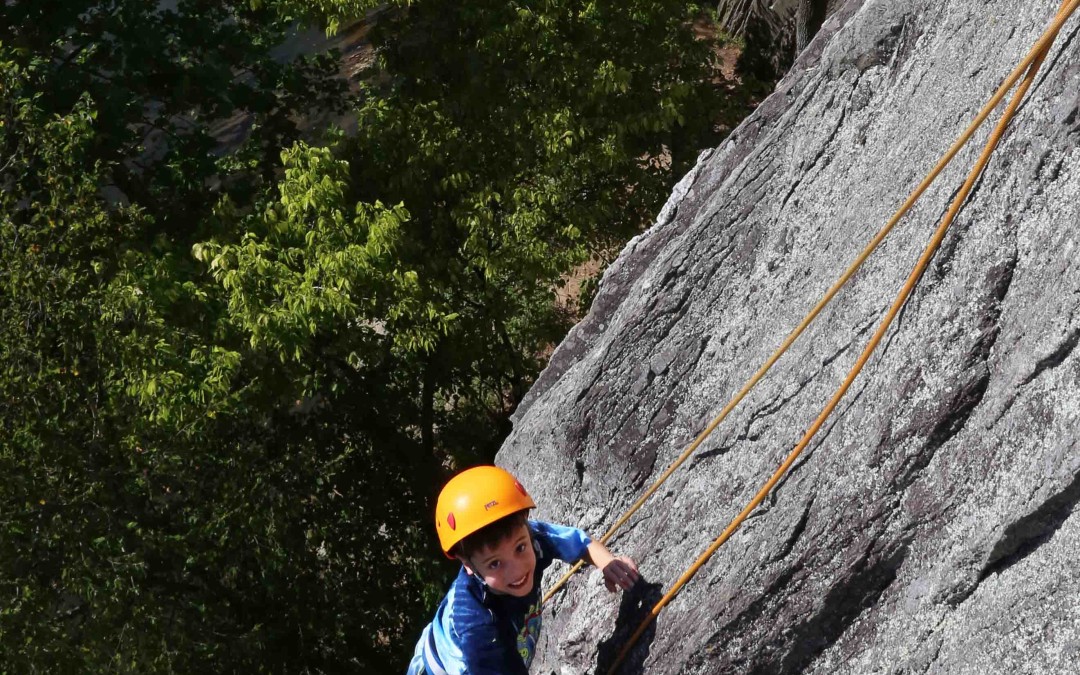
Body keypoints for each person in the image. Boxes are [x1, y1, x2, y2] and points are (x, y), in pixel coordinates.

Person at [406, 465, 639, 675]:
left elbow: (580, 543)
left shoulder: (532, 538)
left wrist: (608, 562)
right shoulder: (478, 628)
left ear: (526, 528)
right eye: (495, 563)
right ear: (467, 564)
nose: (517, 570)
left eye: (520, 548)